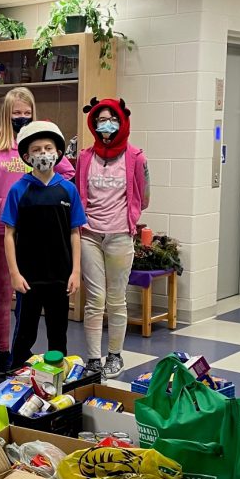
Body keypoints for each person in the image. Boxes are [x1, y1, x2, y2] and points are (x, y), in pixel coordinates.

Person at [0, 87, 74, 377]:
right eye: (16, 112)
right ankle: (6, 352)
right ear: (7, 114)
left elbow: (66, 173)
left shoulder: (36, 144)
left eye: (26, 112)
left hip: (39, 231)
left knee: (30, 297)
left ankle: (28, 353)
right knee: (5, 293)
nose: (21, 117)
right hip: (3, 228)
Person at [2, 121, 86, 371]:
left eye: (48, 148)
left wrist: (75, 272)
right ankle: (16, 373)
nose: (43, 154)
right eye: (36, 150)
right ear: (27, 156)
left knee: (58, 331)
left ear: (58, 153)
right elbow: (9, 234)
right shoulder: (19, 190)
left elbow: (75, 233)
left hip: (60, 277)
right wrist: (14, 274)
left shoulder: (68, 190)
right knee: (25, 331)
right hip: (28, 278)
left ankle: (58, 379)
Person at [76, 98, 150, 379]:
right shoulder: (85, 157)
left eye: (112, 119)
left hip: (120, 235)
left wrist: (124, 218)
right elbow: (79, 191)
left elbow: (144, 197)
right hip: (89, 235)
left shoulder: (136, 157)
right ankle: (94, 358)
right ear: (93, 124)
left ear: (122, 121)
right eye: (100, 120)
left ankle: (115, 355)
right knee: (95, 299)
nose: (106, 125)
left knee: (117, 299)